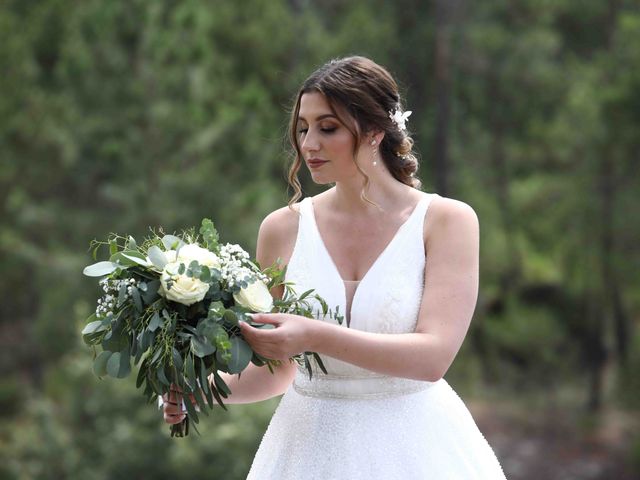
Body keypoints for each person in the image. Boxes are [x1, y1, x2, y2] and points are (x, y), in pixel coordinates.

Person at [164, 56, 506, 479]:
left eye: (328, 128)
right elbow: (276, 372)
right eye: (303, 128)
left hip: (417, 447)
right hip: (308, 448)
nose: (309, 145)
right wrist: (199, 391)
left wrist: (314, 335)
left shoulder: (446, 222)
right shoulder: (282, 229)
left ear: (376, 130)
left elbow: (433, 357)